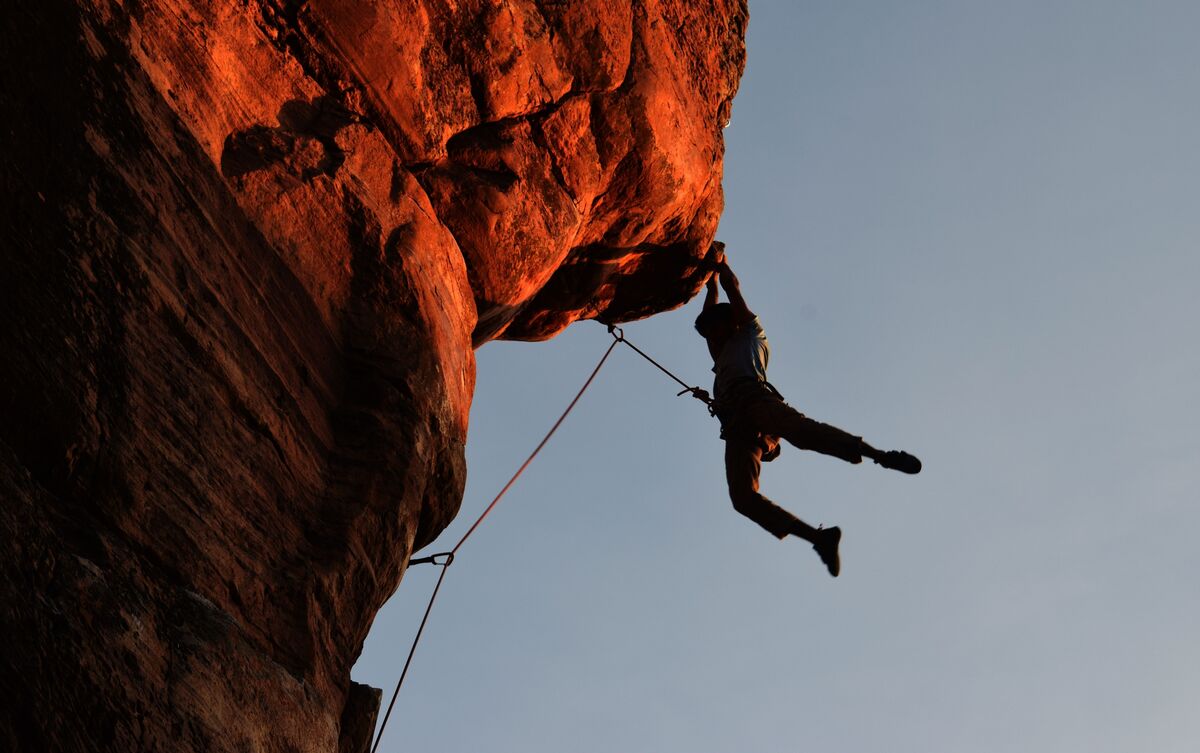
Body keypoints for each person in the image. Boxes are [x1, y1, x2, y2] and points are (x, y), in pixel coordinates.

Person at [692, 245, 921, 577]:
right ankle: (819, 538)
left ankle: (880, 455)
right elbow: (713, 302)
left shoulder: (751, 334)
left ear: (728, 325)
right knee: (742, 498)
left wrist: (720, 265)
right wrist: (709, 280)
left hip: (756, 401)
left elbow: (732, 289)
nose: (710, 338)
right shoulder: (722, 351)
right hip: (738, 424)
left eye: (714, 330)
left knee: (802, 433)